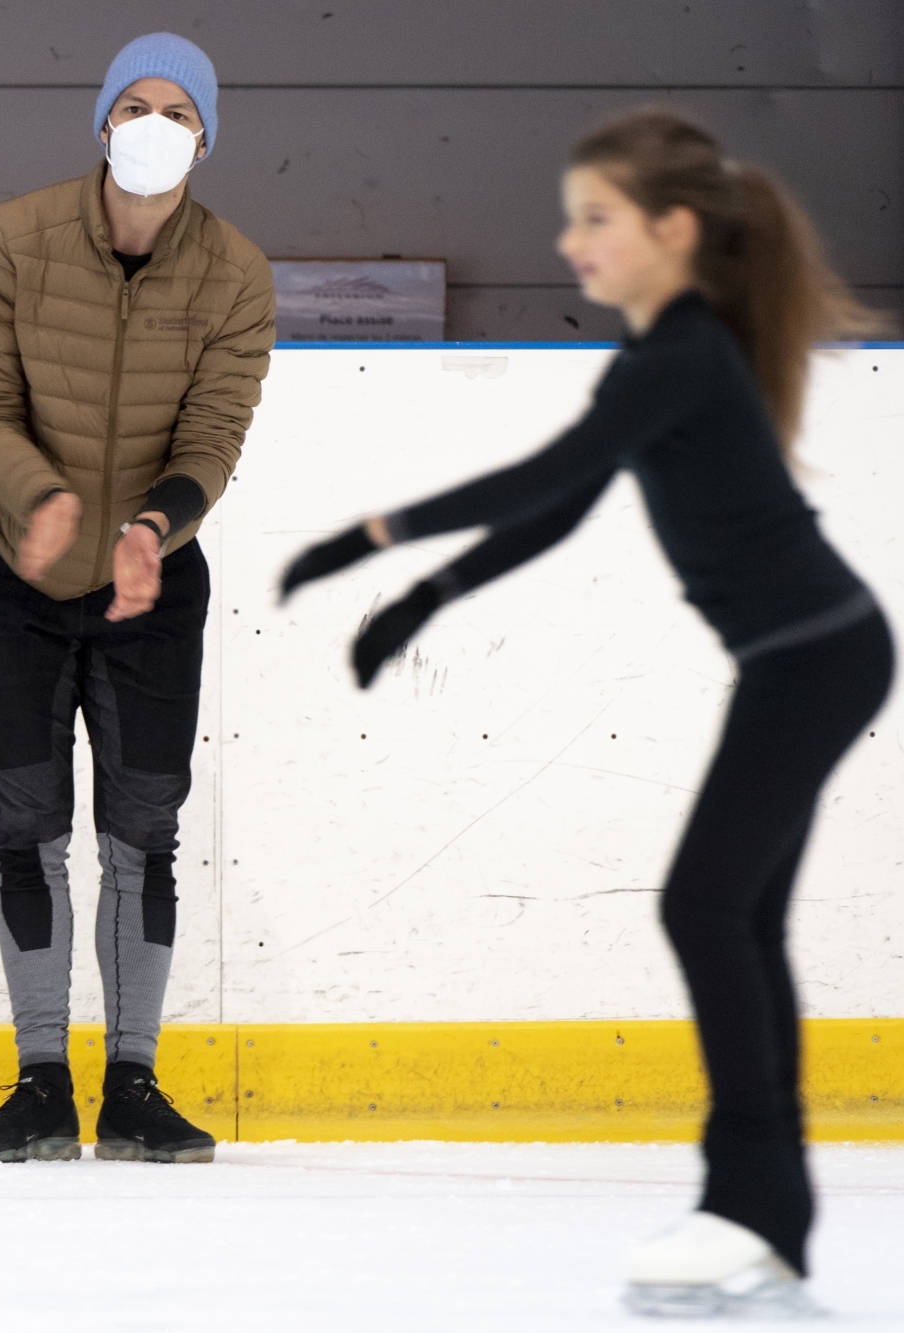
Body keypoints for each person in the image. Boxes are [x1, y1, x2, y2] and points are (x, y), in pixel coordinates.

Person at [280, 109, 888, 1317]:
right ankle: (762, 1209)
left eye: (595, 219)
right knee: (737, 914)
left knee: (705, 904)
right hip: (810, 652)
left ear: (671, 230)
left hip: (813, 655)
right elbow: (562, 510)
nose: (568, 242)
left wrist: (372, 537)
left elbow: (541, 477)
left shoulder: (675, 358)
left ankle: (750, 1205)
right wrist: (426, 597)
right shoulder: (669, 358)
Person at [0, 32, 274, 1165]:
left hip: (151, 578)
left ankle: (130, 1084)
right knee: (23, 829)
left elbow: (213, 433)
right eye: (133, 105)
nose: (152, 126)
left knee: (143, 834)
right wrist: (38, 496)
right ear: (99, 124)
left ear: (204, 138)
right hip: (11, 573)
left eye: (177, 113)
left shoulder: (232, 271)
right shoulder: (13, 237)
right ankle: (40, 1082)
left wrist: (148, 526)